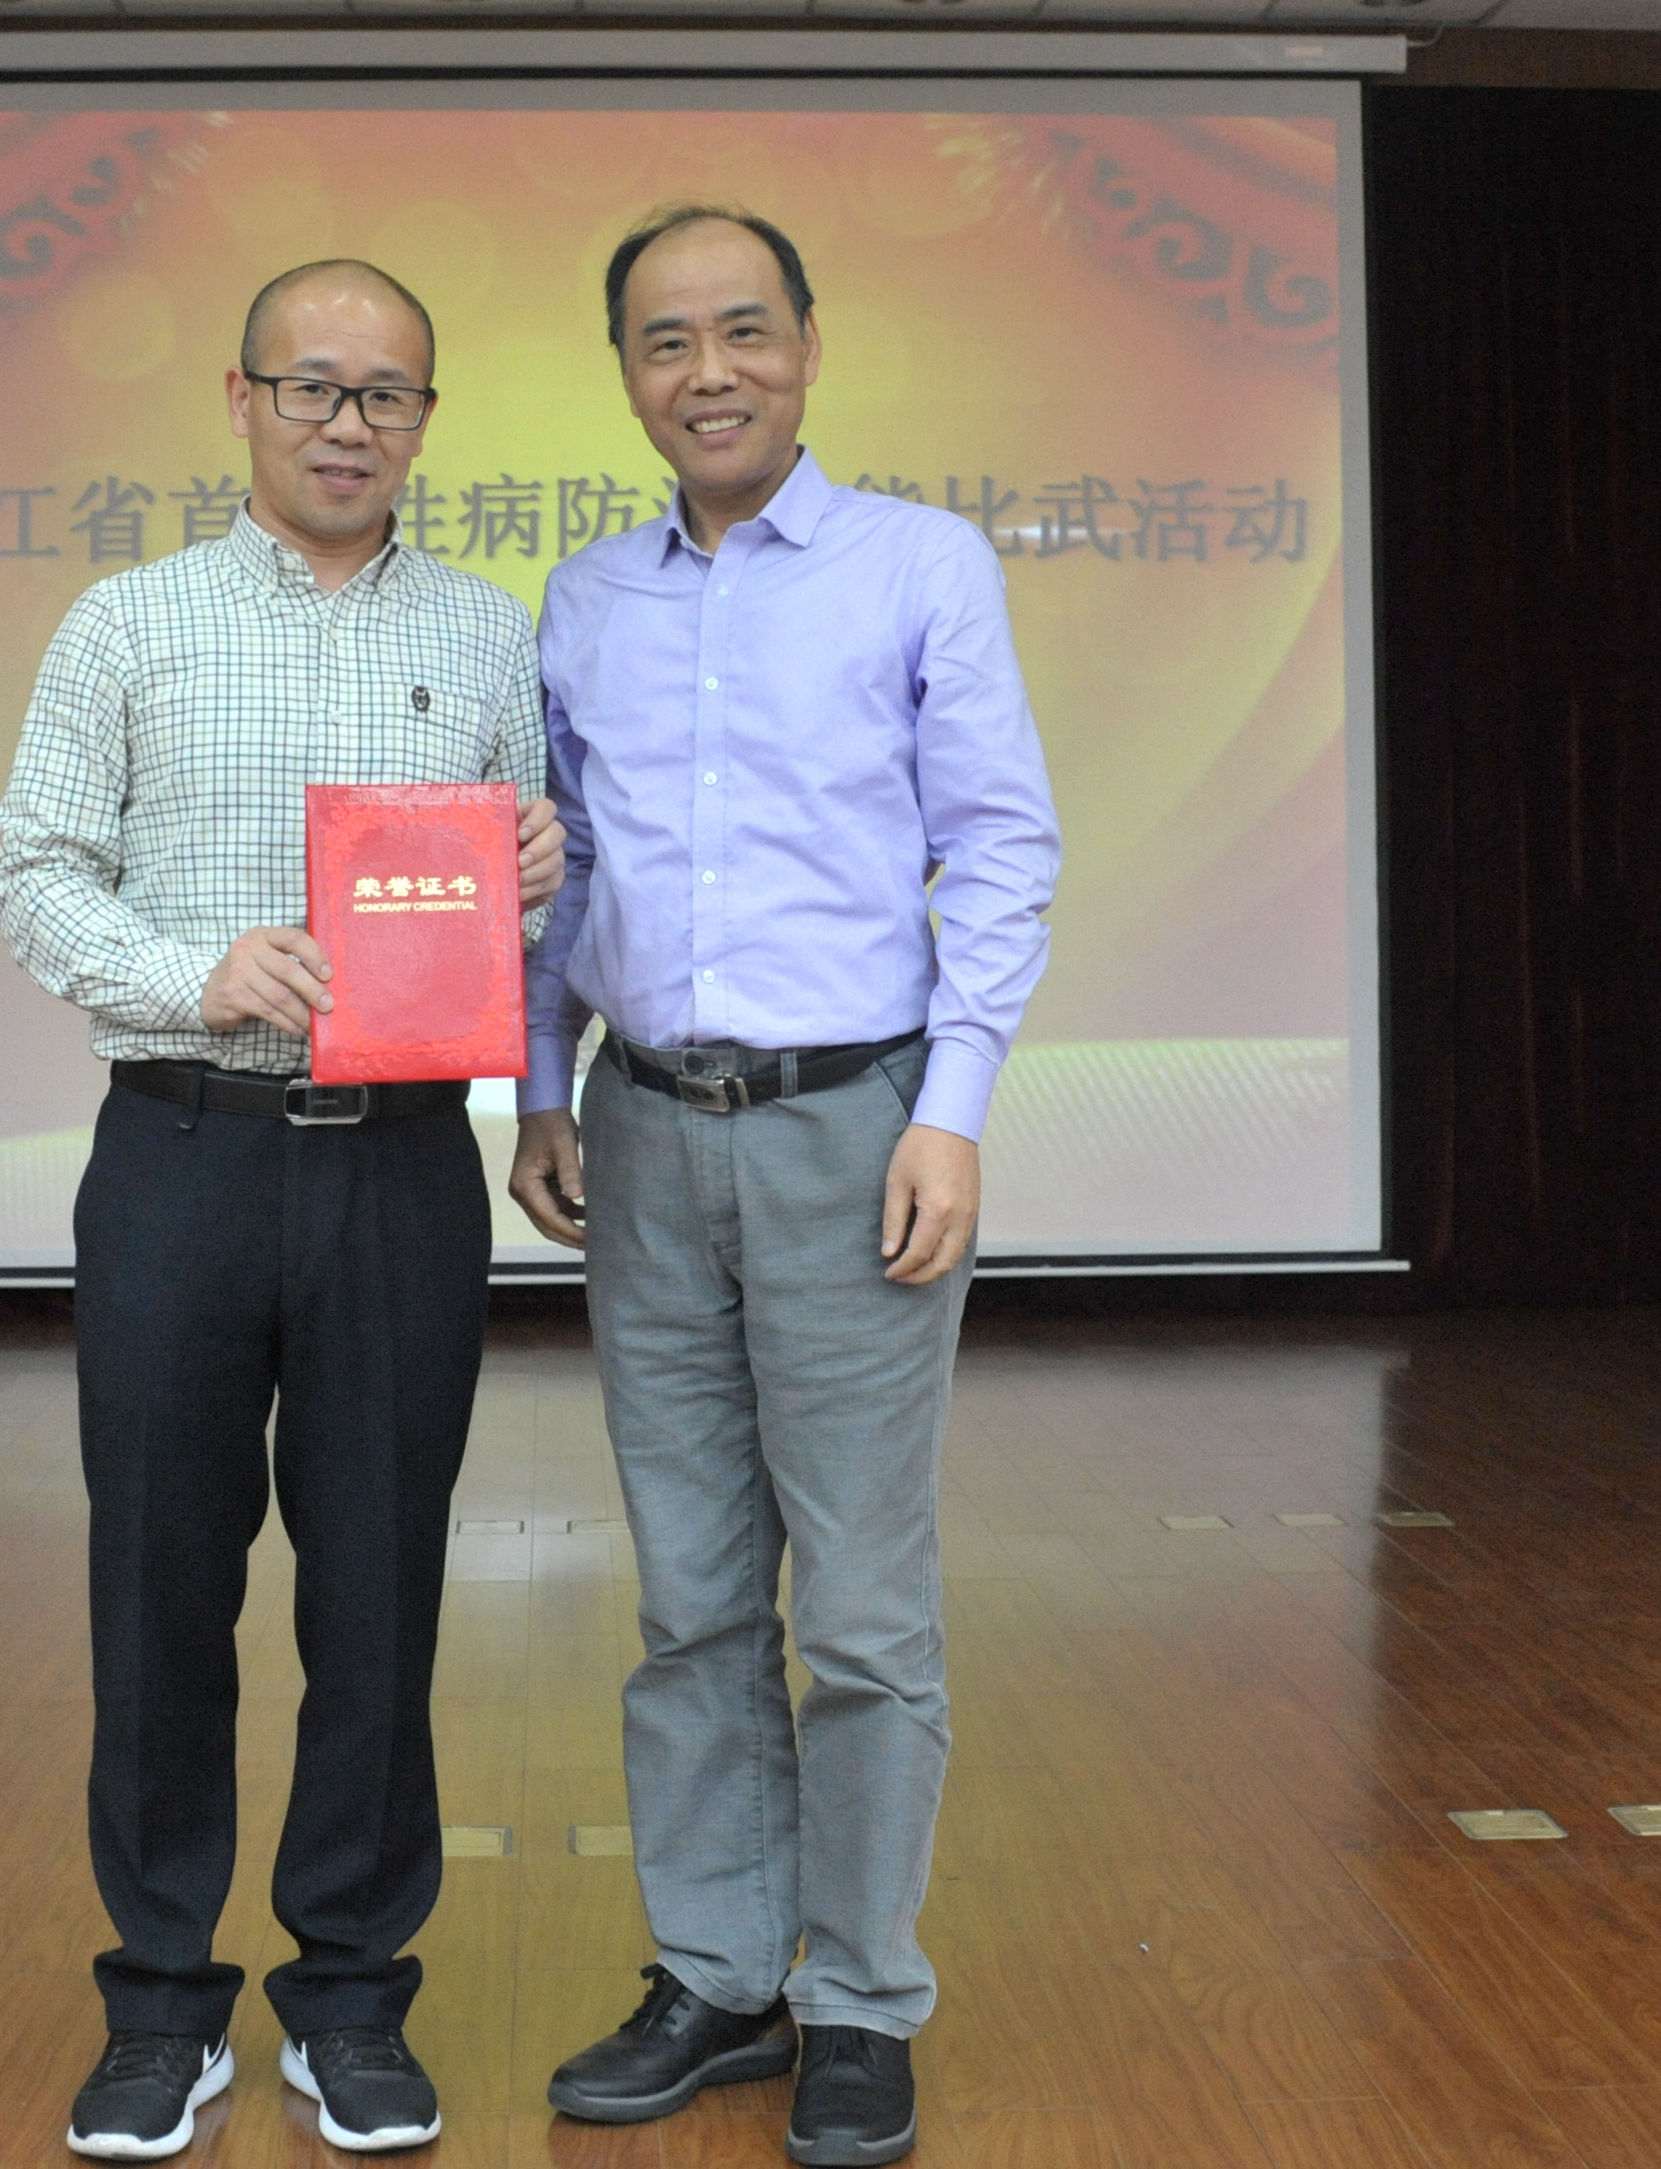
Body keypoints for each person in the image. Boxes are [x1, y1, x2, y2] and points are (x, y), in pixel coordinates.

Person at [0, 257, 564, 2163]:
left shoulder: (486, 635)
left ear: (427, 420)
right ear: (240, 398)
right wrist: (193, 973)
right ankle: (162, 2004)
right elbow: (35, 876)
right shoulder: (128, 622)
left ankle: (351, 1997)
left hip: (401, 1165)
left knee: (380, 1585)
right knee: (161, 1578)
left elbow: (521, 912)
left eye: (387, 394)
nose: (348, 424)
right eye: (313, 386)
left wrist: (539, 866)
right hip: (184, 1149)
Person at [508, 205, 1060, 2169]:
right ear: (625, 375)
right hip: (644, 1131)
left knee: (867, 1613)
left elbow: (1000, 846)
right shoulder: (585, 596)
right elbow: (561, 868)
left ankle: (860, 1997)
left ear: (809, 345)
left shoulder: (920, 565)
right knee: (689, 1601)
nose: (708, 372)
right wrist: (538, 1085)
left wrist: (953, 1109)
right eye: (666, 341)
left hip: (856, 1127)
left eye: (743, 331)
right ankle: (721, 1975)